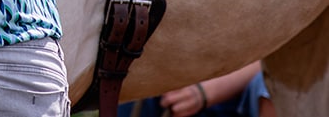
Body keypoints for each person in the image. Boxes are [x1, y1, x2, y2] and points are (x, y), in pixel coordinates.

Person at [118, 62, 276, 117]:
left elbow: (280, 51)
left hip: (243, 90)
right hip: (183, 80)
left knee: (270, 86)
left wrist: (206, 92)